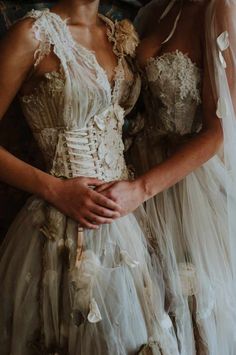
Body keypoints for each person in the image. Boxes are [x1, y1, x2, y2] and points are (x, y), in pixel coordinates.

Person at [0, 1, 179, 354]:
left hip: (127, 222)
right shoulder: (32, 35)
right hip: (61, 220)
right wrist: (55, 189)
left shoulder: (117, 34)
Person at [97, 0, 236, 353]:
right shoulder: (153, 10)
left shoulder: (220, 8)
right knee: (141, 315)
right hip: (135, 164)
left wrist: (140, 190)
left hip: (186, 187)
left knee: (191, 310)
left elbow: (219, 132)